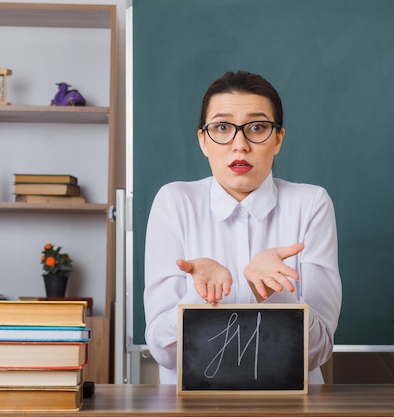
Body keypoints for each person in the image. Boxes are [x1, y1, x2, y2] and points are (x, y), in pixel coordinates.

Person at [144, 70, 342, 384]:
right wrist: (200, 297)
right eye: (222, 127)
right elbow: (164, 351)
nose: (240, 144)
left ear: (278, 139)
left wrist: (271, 294)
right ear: (203, 141)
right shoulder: (174, 201)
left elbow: (317, 351)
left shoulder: (311, 203)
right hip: (190, 407)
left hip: (293, 406)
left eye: (258, 127)